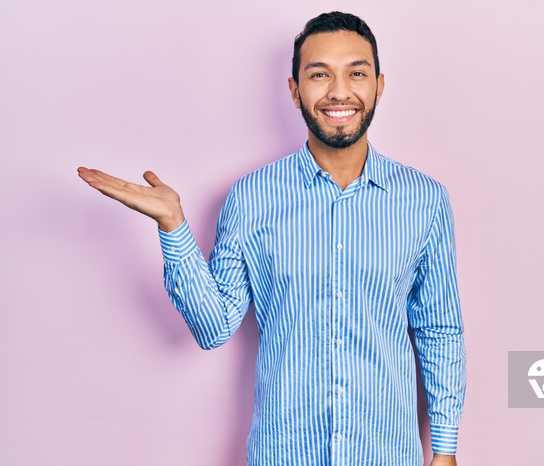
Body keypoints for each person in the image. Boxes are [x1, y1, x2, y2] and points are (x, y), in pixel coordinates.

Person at [78, 11, 466, 466]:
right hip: (284, 453)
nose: (339, 91)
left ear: (379, 85)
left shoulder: (425, 201)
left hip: (386, 454)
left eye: (356, 73)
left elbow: (439, 329)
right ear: (294, 90)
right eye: (319, 75)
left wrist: (445, 449)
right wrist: (173, 227)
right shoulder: (251, 198)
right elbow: (214, 326)